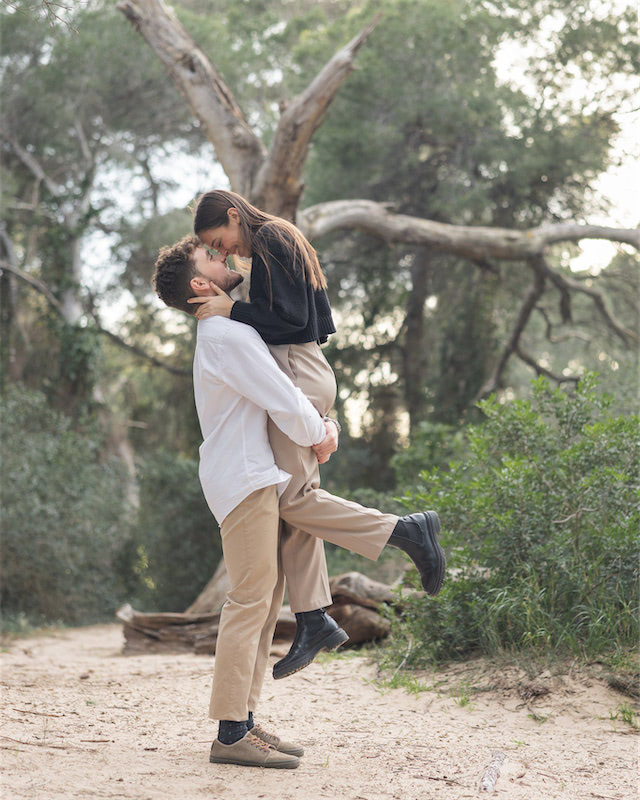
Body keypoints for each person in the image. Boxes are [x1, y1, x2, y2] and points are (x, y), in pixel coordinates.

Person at [153, 236, 446, 768]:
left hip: (252, 477)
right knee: (248, 602)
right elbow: (280, 395)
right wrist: (323, 431)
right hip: (243, 481)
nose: (225, 259)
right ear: (201, 285)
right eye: (213, 259)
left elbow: (279, 390)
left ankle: (244, 720)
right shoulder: (225, 335)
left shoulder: (228, 329)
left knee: (263, 604)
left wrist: (317, 424)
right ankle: (230, 733)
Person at [188, 189, 444, 680]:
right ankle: (311, 618)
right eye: (215, 250)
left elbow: (292, 322)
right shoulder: (274, 243)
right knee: (292, 498)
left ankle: (405, 531)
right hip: (303, 367)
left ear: (236, 217)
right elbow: (301, 320)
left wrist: (230, 310)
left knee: (293, 501)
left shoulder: (272, 242)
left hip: (298, 369)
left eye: (220, 240)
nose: (226, 252)